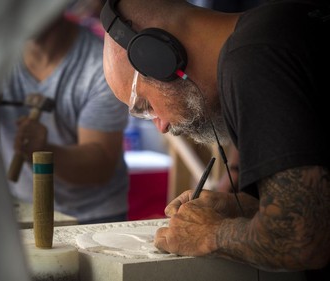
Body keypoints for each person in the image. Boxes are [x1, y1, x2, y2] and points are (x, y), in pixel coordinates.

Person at [99, 0, 330, 278]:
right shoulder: (278, 28)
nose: (160, 125)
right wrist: (243, 208)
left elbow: (301, 240)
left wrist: (209, 234)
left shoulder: (252, 60)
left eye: (145, 105)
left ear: (160, 57)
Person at [0, 1, 130, 225]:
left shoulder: (102, 66)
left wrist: (44, 151)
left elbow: (100, 163)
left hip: (92, 217)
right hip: (21, 209)